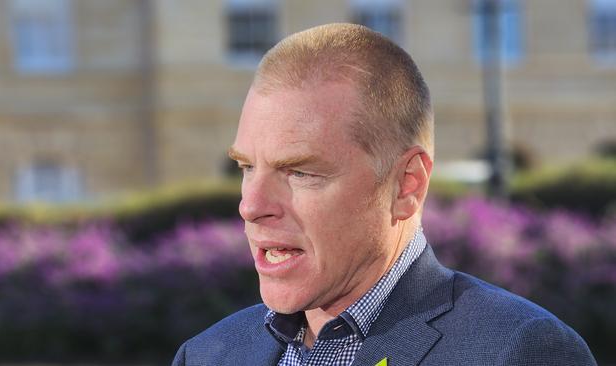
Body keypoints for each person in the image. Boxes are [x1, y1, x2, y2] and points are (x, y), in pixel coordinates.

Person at [172, 23, 596, 366]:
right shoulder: (206, 354)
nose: (251, 206)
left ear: (406, 184)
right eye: (247, 167)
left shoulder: (518, 351)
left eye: (299, 171)